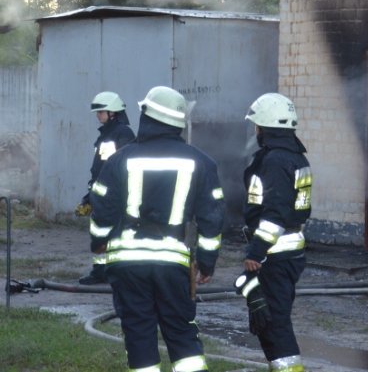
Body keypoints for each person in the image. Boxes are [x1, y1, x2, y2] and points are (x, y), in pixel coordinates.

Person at [89, 86, 225, 372]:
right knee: (181, 330)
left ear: (147, 115)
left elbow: (102, 209)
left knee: (138, 331)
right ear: (178, 121)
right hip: (172, 260)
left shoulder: (119, 159)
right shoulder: (201, 162)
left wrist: (99, 249)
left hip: (127, 261)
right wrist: (207, 263)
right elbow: (212, 218)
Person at [237, 92, 313, 372]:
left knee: (273, 321)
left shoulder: (276, 161)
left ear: (264, 127)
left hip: (274, 252)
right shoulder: (294, 158)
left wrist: (256, 251)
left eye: (256, 125)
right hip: (286, 250)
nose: (255, 130)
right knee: (270, 318)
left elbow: (275, 212)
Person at [77, 91, 136, 285]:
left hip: (115, 196)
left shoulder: (123, 134)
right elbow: (99, 169)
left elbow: (126, 167)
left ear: (113, 112)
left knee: (115, 234)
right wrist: (90, 195)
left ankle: (114, 272)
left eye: (101, 112)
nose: (98, 115)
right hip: (102, 194)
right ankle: (101, 271)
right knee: (100, 232)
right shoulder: (106, 135)